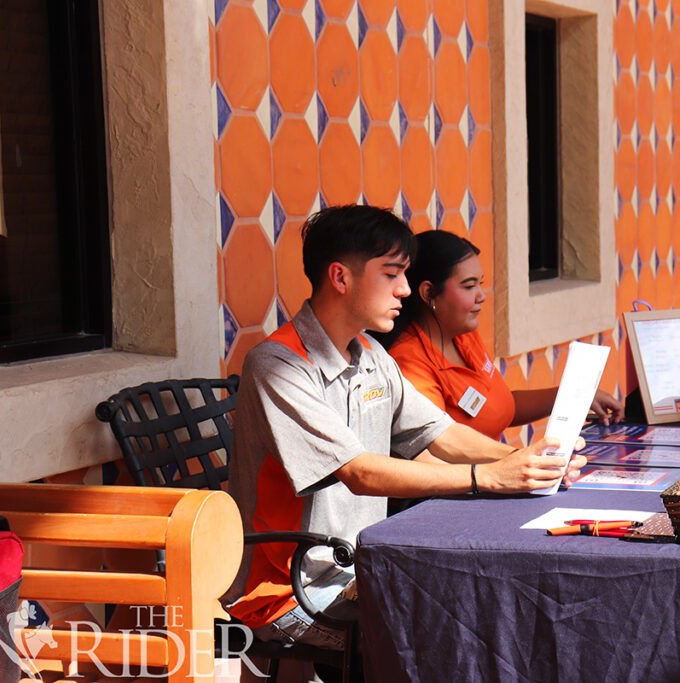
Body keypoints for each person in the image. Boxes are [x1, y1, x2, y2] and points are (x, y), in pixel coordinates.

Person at [225, 205, 586, 653]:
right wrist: (486, 477)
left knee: (493, 615)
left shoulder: (371, 354)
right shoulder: (278, 366)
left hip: (365, 568)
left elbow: (442, 433)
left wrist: (526, 462)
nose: (405, 289)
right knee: (448, 641)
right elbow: (360, 473)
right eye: (392, 274)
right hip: (290, 590)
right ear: (341, 278)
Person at [371, 230, 624, 441]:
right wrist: (521, 462)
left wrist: (574, 394)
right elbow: (441, 449)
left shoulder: (462, 336)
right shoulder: (408, 363)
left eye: (480, 284)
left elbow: (500, 407)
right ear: (428, 293)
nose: (481, 295)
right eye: (469, 286)